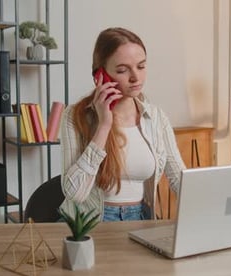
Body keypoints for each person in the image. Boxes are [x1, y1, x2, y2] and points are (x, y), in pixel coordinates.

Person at [60, 27, 186, 221]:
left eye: (141, 66)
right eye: (122, 70)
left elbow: (179, 178)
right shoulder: (75, 115)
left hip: (140, 219)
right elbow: (74, 193)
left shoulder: (157, 118)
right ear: (100, 75)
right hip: (88, 222)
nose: (135, 77)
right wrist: (103, 126)